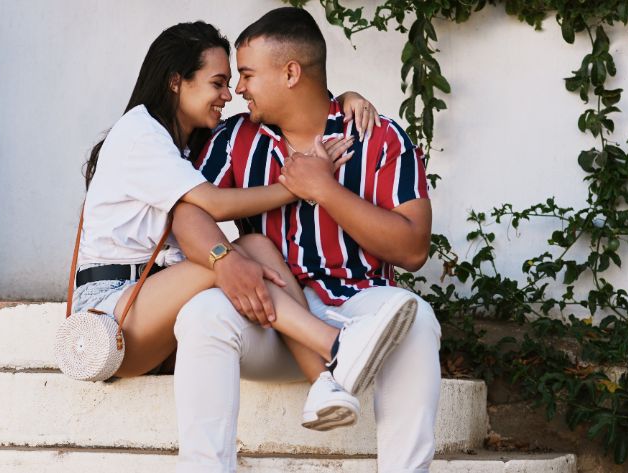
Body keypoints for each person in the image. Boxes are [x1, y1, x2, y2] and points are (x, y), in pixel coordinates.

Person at [71, 20, 406, 433]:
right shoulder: (142, 133)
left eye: (232, 83)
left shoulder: (181, 144)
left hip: (159, 312)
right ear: (176, 82)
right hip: (115, 313)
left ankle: (325, 382)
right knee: (240, 256)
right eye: (218, 83)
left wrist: (345, 99)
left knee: (255, 246)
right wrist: (298, 186)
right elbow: (213, 203)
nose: (229, 95)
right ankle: (336, 343)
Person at [171, 7, 442, 473]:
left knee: (417, 320)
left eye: (248, 75)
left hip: (358, 313)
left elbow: (414, 248)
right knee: (202, 314)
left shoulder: (378, 136)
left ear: (291, 73)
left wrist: (325, 190)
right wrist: (222, 260)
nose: (239, 89)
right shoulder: (236, 138)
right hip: (270, 313)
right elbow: (186, 210)